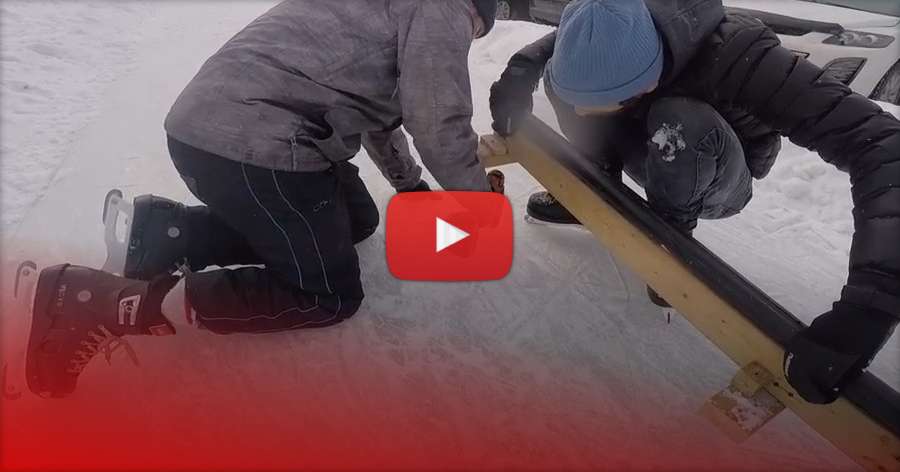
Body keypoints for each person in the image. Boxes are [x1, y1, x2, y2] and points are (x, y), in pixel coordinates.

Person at [26, 0, 502, 398]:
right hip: (258, 149)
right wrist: (479, 206)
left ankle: (164, 234)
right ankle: (109, 303)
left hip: (210, 130)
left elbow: (385, 112)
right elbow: (438, 122)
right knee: (328, 294)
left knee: (356, 220)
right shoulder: (446, 7)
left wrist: (411, 187)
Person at [488, 0, 900, 404]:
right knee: (567, 81)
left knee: (679, 121)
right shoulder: (623, 18)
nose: (580, 113)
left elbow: (882, 144)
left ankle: (669, 238)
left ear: (646, 79)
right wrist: (522, 70)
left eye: (600, 103)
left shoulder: (743, 56)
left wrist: (869, 309)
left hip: (717, 170)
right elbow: (568, 38)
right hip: (644, 131)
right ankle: (594, 186)